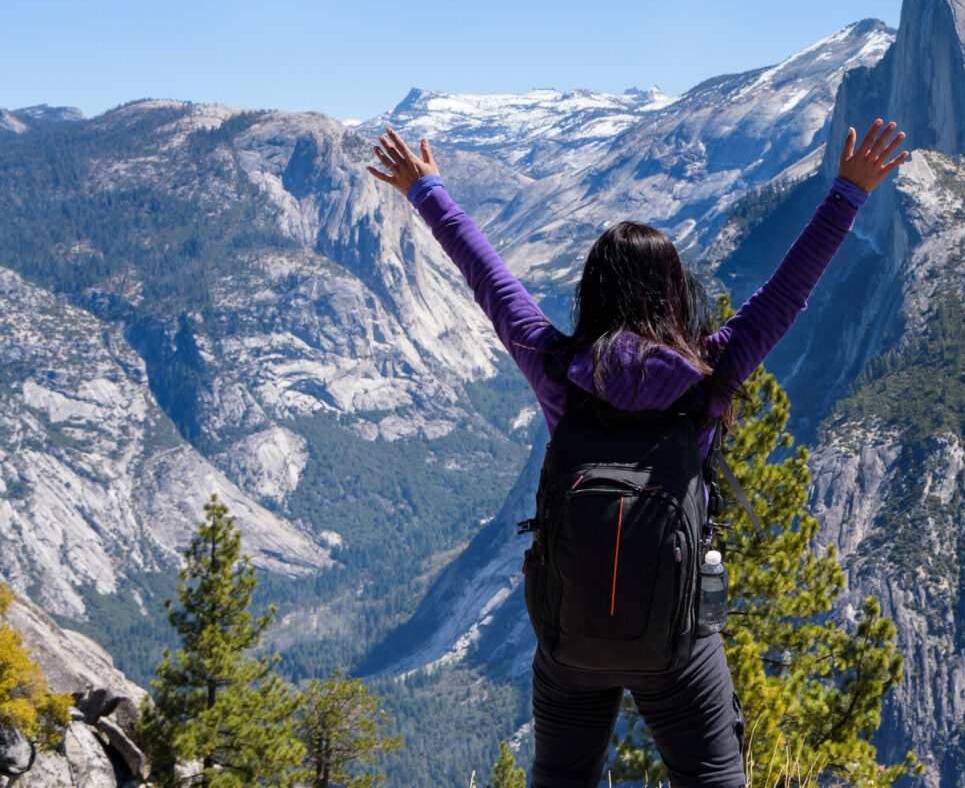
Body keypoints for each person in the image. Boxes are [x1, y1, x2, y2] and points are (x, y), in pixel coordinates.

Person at [368, 116, 910, 788]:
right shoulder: (711, 376)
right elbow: (785, 295)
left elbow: (491, 283)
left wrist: (427, 191)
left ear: (592, 293)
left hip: (570, 640)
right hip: (678, 643)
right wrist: (849, 193)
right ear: (674, 293)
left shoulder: (559, 370)